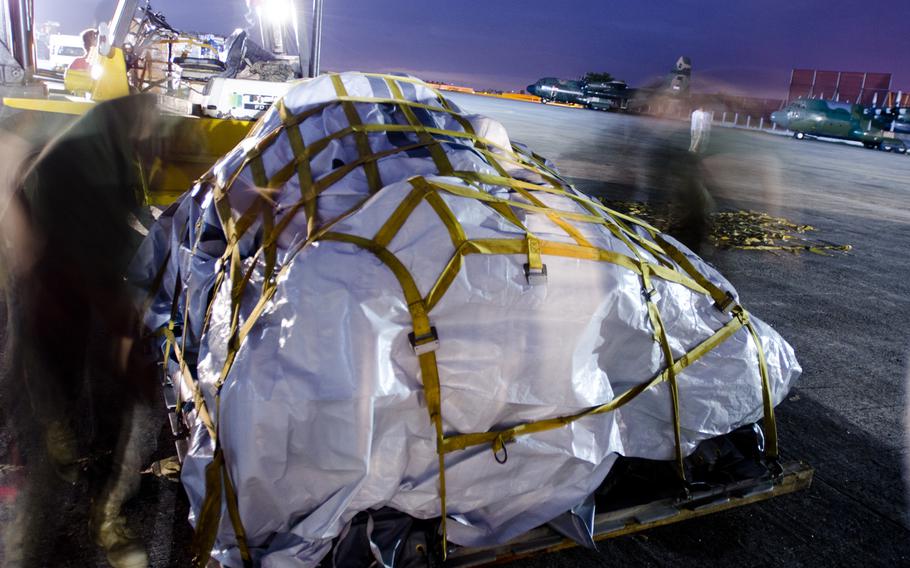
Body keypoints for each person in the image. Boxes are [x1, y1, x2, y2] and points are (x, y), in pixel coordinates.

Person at [0, 95, 162, 568]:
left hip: (86, 284)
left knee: (114, 397)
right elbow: (90, 240)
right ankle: (62, 435)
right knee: (63, 378)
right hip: (62, 287)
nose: (149, 139)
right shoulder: (78, 157)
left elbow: (128, 220)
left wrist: (163, 240)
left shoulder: (112, 149)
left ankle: (105, 507)